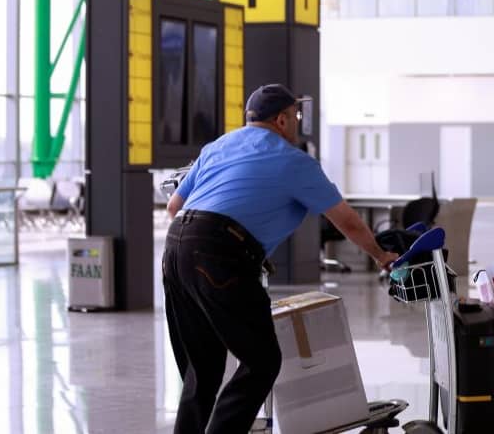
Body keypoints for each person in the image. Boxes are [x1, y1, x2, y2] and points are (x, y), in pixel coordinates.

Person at [161, 84, 399, 434]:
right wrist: (381, 255)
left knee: (202, 370)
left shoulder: (219, 146)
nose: (298, 123)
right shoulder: (294, 161)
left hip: (175, 250)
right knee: (261, 360)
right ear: (282, 120)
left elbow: (173, 207)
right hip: (221, 253)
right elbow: (347, 221)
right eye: (296, 115)